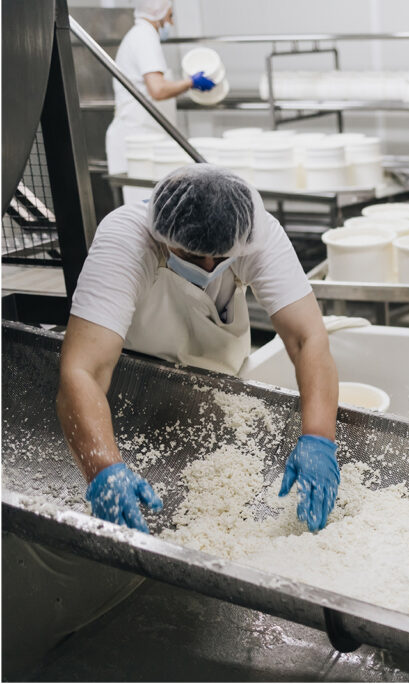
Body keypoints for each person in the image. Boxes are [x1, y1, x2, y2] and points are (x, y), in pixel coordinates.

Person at [56, 165, 341, 534]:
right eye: (192, 255)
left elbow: (307, 339)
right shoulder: (126, 237)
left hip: (219, 379)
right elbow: (83, 370)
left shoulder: (253, 232)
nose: (209, 265)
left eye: (222, 257)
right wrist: (104, 469)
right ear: (162, 235)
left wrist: (318, 437)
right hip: (133, 388)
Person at [105, 0, 215, 203]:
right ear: (158, 13)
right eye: (170, 15)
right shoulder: (144, 37)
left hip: (142, 137)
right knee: (146, 211)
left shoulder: (140, 35)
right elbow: (158, 89)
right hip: (138, 140)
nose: (171, 23)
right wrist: (191, 82)